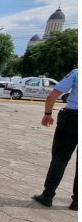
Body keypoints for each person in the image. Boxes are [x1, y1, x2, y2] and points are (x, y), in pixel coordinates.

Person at [32, 68, 78, 210]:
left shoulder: (77, 73)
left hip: (72, 120)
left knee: (59, 159)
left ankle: (47, 196)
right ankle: (77, 202)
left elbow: (52, 96)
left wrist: (47, 114)